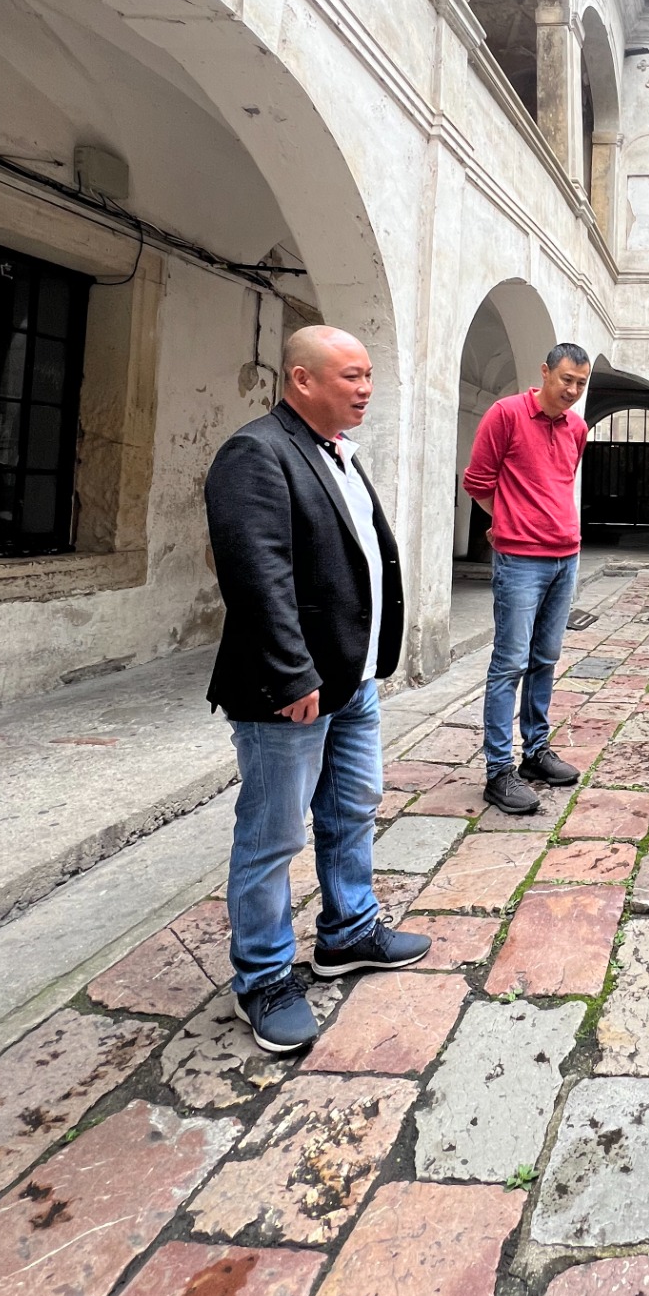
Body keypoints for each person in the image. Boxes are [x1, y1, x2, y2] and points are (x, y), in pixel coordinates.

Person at [204, 326, 430, 1055]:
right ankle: (263, 977)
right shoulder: (256, 452)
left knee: (352, 807)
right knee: (273, 835)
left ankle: (348, 932)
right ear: (301, 380)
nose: (365, 388)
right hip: (291, 688)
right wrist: (290, 671)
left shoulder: (338, 452)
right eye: (350, 376)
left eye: (368, 375)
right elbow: (256, 573)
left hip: (351, 679)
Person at [465, 342, 592, 815]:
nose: (573, 390)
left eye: (581, 383)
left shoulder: (577, 427)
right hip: (520, 559)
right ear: (545, 372)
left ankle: (535, 752)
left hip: (566, 557)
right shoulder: (506, 414)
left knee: (545, 659)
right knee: (510, 663)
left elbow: (561, 482)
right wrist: (507, 519)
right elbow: (478, 481)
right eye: (566, 380)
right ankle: (499, 770)